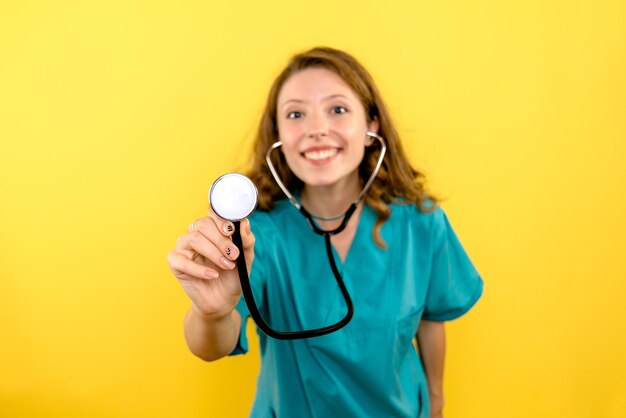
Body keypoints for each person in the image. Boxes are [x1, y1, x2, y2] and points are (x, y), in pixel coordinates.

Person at [167, 47, 484, 418]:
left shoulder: (422, 222)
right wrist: (211, 313)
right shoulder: (258, 235)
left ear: (371, 128)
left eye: (337, 109)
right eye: (296, 114)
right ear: (280, 136)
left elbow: (432, 320)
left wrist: (437, 404)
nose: (316, 129)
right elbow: (210, 346)